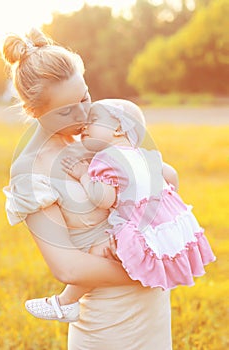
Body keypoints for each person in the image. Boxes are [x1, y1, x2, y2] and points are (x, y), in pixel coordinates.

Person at [3, 27, 174, 349]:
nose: (84, 115)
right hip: (108, 318)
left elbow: (153, 186)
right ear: (33, 111)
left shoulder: (98, 136)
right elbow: (67, 267)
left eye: (84, 98)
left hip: (152, 304)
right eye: (66, 110)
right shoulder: (30, 171)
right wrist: (157, 265)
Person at [25, 99, 216, 323]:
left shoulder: (105, 159)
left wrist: (84, 175)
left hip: (141, 232)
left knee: (98, 252)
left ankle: (65, 303)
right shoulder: (145, 155)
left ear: (117, 129)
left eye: (93, 120)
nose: (84, 126)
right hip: (168, 227)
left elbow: (104, 199)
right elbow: (171, 176)